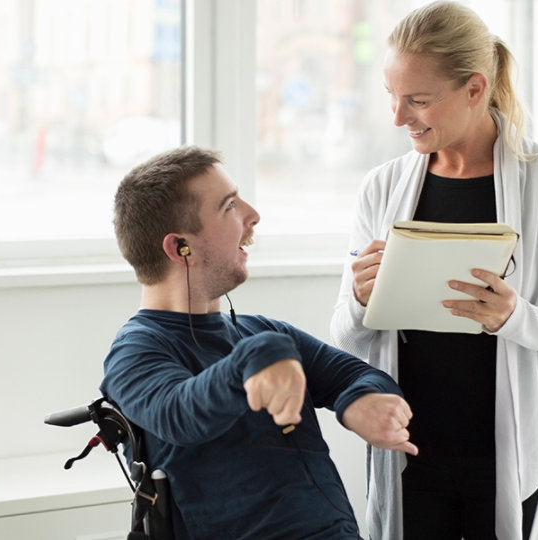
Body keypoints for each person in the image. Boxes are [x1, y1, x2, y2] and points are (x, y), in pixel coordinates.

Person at [330, 2, 538, 539]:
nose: (398, 117)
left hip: (521, 451)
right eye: (392, 98)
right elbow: (343, 336)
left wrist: (516, 317)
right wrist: (358, 298)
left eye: (417, 100)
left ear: (474, 88)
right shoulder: (381, 187)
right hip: (413, 451)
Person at [100, 145, 418, 540]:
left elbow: (354, 375)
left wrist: (357, 400)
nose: (253, 215)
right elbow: (179, 413)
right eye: (229, 206)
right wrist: (261, 356)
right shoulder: (136, 351)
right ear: (180, 247)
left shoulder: (261, 331)